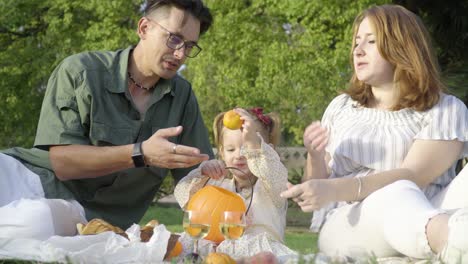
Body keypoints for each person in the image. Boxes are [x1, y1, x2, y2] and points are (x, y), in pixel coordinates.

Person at [0, 0, 214, 240]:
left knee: (36, 222)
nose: (180, 53)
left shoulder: (182, 98)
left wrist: (247, 164)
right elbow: (63, 163)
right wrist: (141, 153)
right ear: (144, 28)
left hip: (79, 216)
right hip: (23, 178)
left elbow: (200, 179)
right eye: (174, 38)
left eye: (189, 46)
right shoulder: (80, 71)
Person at [280, 4, 468, 263]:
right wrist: (315, 156)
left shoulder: (445, 109)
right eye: (356, 42)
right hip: (349, 223)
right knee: (396, 191)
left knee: (404, 186)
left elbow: (413, 175)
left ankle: (451, 236)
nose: (358, 50)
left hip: (430, 209)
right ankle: (454, 240)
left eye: (370, 41)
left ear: (402, 48)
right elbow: (318, 188)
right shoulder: (341, 107)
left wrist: (332, 188)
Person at [174, 107, 296, 261]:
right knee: (181, 241)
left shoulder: (272, 187)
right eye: (231, 149)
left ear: (266, 151)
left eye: (247, 148)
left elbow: (271, 169)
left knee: (263, 258)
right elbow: (183, 197)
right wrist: (202, 173)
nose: (239, 155)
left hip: (257, 253)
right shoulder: (217, 185)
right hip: (218, 253)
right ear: (222, 152)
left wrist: (254, 141)